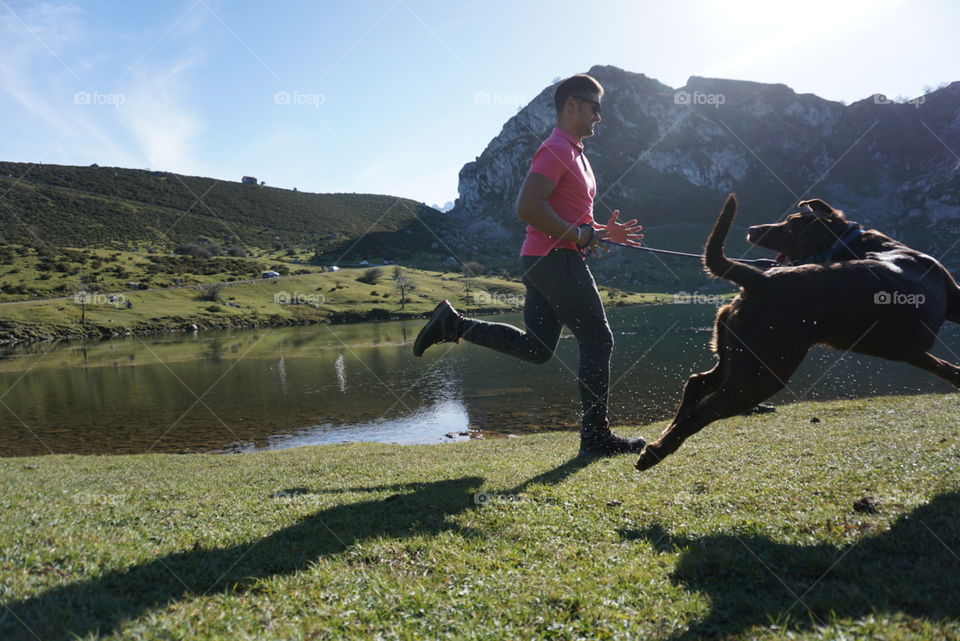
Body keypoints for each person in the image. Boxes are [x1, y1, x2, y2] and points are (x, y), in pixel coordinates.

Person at [413, 74, 645, 456]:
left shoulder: (575, 152)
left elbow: (567, 212)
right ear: (571, 105)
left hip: (543, 259)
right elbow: (527, 206)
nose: (599, 117)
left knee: (536, 348)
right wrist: (580, 237)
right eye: (594, 107)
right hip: (555, 259)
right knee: (598, 338)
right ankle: (596, 438)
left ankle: (453, 324)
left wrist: (600, 231)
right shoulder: (556, 149)